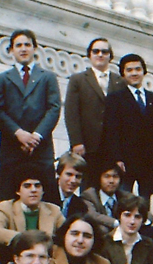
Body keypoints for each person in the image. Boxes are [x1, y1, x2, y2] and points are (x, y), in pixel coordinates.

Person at [0, 29, 62, 203]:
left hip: (41, 148)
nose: (23, 49)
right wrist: (18, 133)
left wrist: (36, 137)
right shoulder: (2, 78)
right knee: (8, 198)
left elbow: (54, 108)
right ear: (11, 50)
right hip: (12, 148)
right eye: (18, 45)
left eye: (27, 45)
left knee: (45, 198)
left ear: (34, 48)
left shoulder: (48, 77)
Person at [102, 53, 153, 197]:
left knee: (145, 203)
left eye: (138, 69)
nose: (134, 73)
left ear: (144, 72)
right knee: (123, 200)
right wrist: (117, 159)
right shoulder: (115, 99)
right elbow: (111, 130)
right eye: (129, 70)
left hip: (150, 162)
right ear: (123, 74)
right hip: (126, 161)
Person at [64, 37, 126, 187]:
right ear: (89, 55)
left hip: (112, 148)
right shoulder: (78, 80)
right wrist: (76, 142)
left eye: (104, 52)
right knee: (88, 187)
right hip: (88, 146)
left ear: (110, 56)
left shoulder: (120, 82)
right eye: (96, 51)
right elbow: (71, 113)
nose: (100, 55)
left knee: (110, 188)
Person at [0, 164, 65, 250]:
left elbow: (68, 233)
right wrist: (24, 239)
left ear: (43, 190)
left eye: (37, 186)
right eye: (27, 186)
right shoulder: (5, 208)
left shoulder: (53, 210)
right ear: (18, 191)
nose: (33, 190)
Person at [48, 213, 112, 264]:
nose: (80, 240)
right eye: (74, 234)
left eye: (87, 236)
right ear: (64, 236)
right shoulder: (49, 257)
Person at [80, 161, 134, 230]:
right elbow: (92, 215)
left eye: (115, 176)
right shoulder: (89, 195)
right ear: (99, 179)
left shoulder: (125, 196)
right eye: (107, 176)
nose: (111, 181)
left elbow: (144, 211)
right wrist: (117, 223)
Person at [53, 152, 97, 219]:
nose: (73, 180)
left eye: (78, 176)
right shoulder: (46, 196)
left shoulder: (81, 206)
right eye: (69, 174)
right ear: (59, 174)